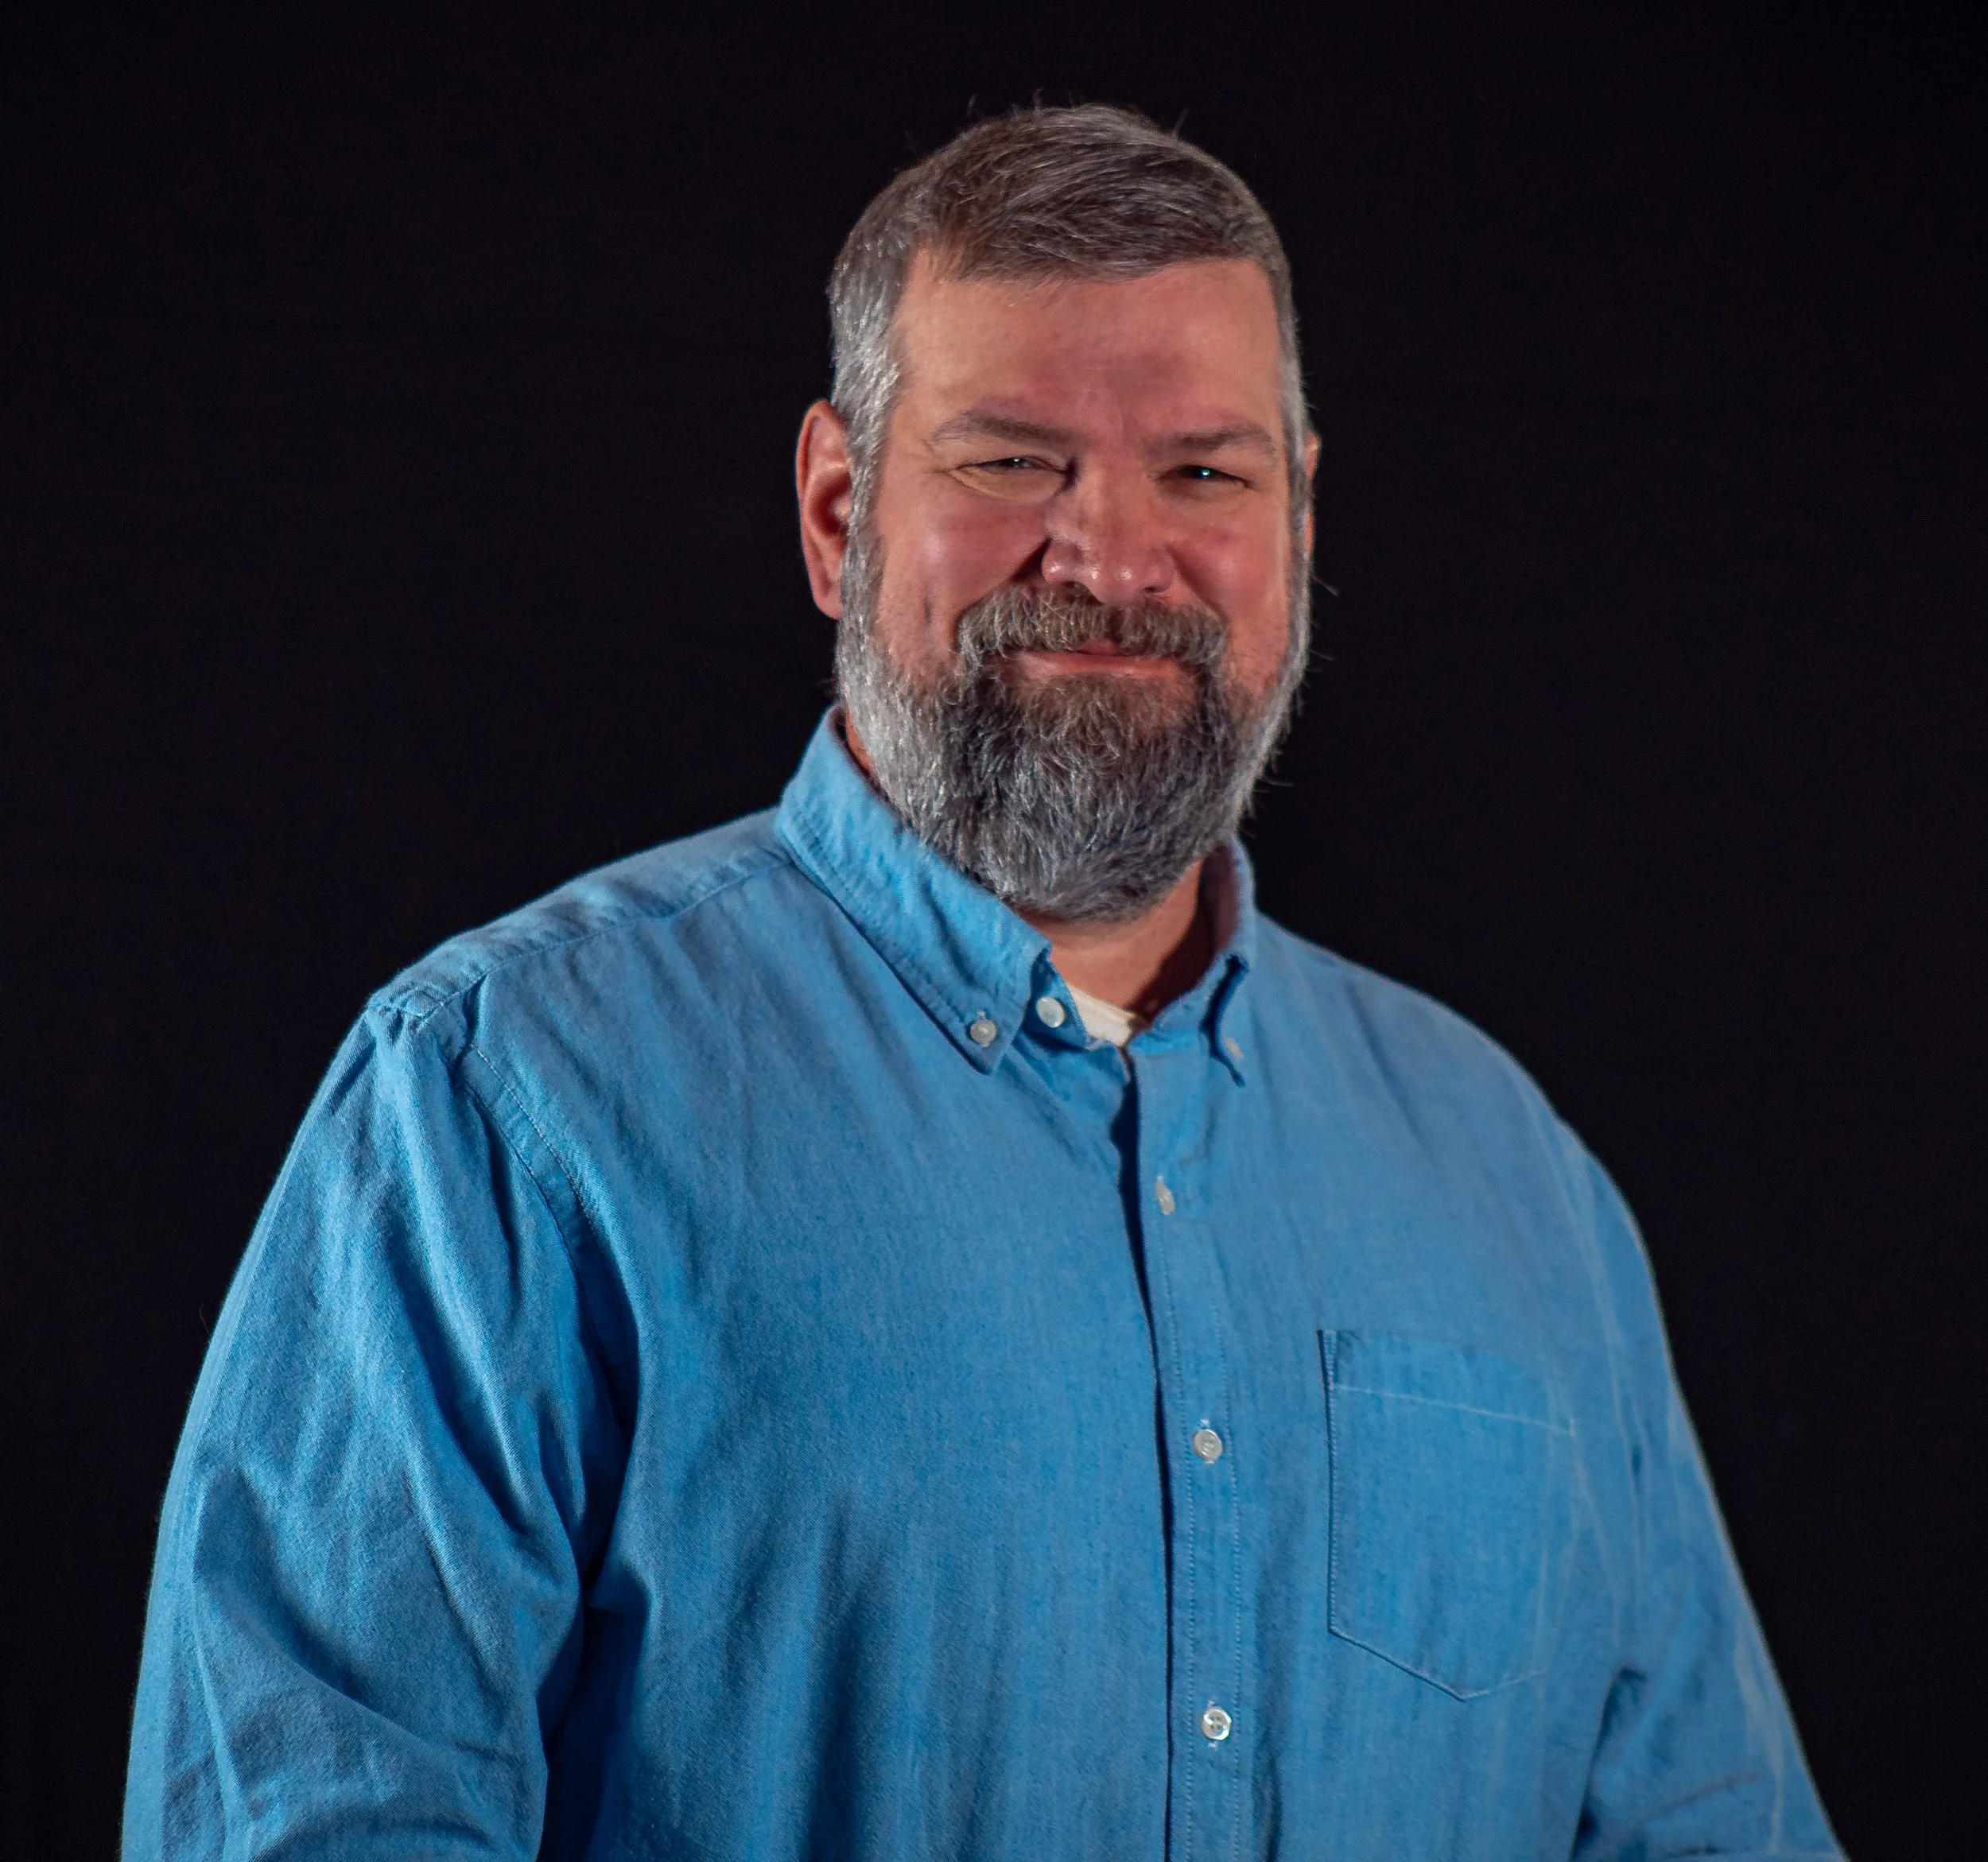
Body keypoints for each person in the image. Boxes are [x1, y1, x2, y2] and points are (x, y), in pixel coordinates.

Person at [124, 105, 1839, 1860]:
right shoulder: (501, 1099)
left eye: (1202, 471)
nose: (1107, 556)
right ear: (835, 510)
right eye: (1012, 460)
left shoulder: (1514, 1181)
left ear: (1300, 525)